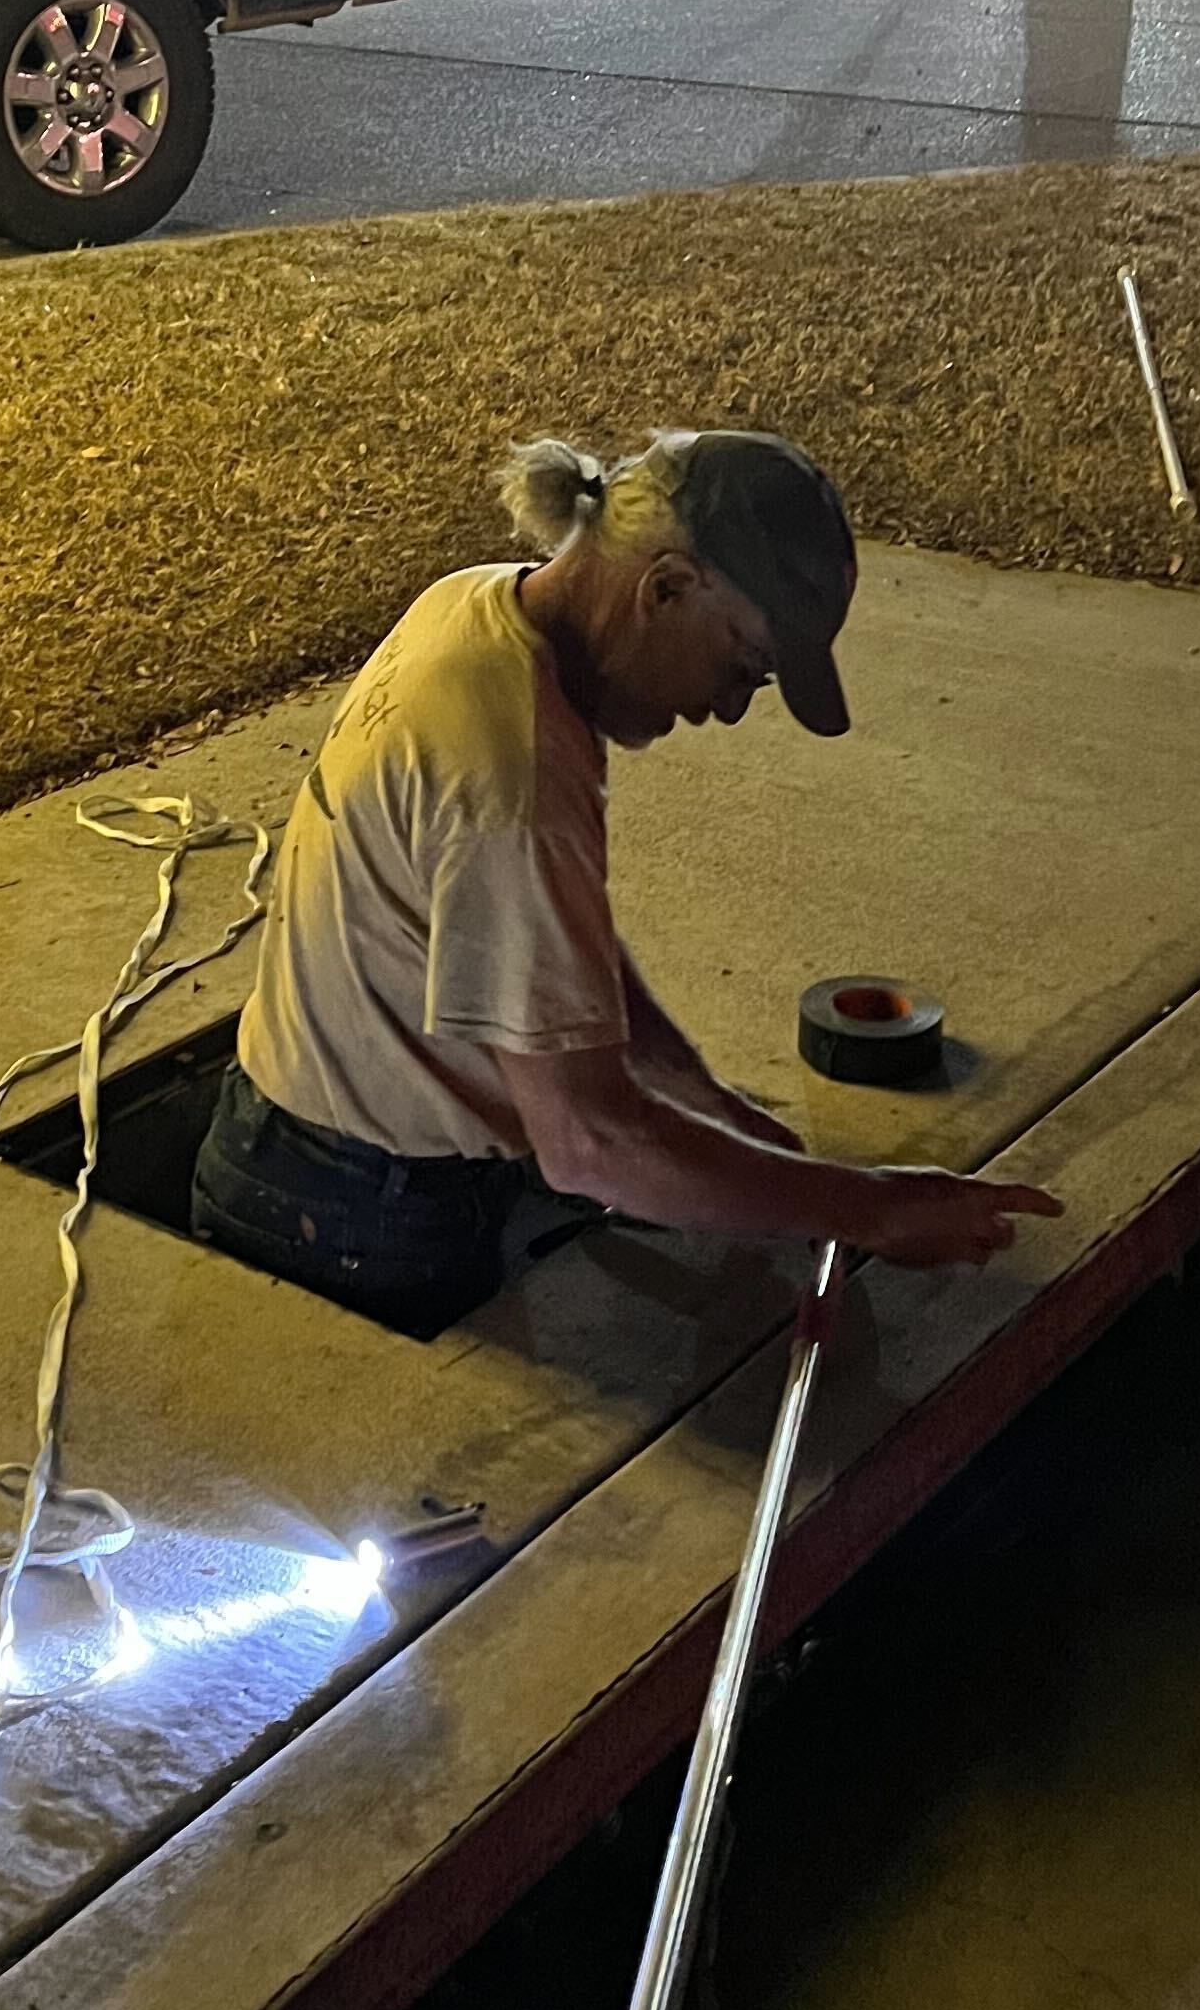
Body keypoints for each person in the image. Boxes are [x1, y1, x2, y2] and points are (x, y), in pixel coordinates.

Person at [191, 425, 1063, 1335]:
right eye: (745, 669)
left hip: (292, 1141)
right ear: (668, 588)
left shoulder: (477, 607)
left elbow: (560, 958)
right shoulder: (514, 765)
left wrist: (707, 1103)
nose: (728, 708)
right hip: (353, 1218)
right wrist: (867, 1205)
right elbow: (588, 1143)